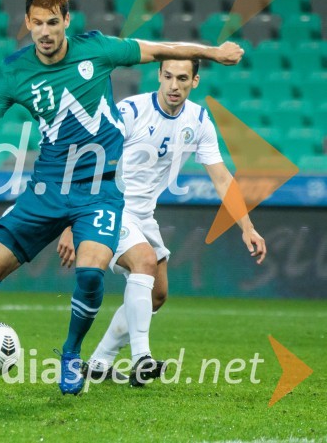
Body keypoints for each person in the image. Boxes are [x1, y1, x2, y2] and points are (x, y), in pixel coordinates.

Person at [0, 0, 245, 396]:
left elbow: (161, 49)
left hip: (99, 191)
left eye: (53, 22)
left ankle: (71, 356)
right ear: (27, 23)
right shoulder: (16, 70)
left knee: (91, 273)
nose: (45, 31)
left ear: (67, 20)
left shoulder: (97, 49)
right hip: (47, 188)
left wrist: (213, 53)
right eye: (38, 23)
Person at [57, 59, 266, 385]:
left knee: (157, 294)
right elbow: (90, 159)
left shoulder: (198, 120)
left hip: (143, 215)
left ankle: (99, 362)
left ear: (195, 81)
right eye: (168, 76)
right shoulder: (131, 111)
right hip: (109, 207)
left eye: (182, 78)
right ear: (158, 75)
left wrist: (247, 227)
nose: (173, 85)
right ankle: (141, 358)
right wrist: (71, 223)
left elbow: (222, 178)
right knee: (144, 261)